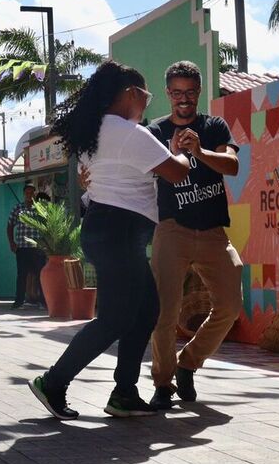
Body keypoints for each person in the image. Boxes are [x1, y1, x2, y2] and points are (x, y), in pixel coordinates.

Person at [29, 61, 189, 420]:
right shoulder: (128, 132)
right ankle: (53, 383)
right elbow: (176, 173)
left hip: (110, 228)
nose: (146, 104)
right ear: (131, 93)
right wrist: (181, 150)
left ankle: (124, 393)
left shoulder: (94, 130)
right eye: (146, 96)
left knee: (146, 309)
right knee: (116, 318)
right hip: (120, 230)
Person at [147, 61, 244, 409]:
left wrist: (200, 151)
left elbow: (232, 166)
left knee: (231, 305)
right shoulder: (155, 130)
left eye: (189, 92)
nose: (183, 99)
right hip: (172, 230)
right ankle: (163, 383)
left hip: (214, 232)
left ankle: (188, 362)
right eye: (177, 93)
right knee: (164, 313)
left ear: (198, 92)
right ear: (168, 94)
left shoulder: (214, 126)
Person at [7, 183, 46, 309]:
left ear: (34, 194)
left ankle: (43, 302)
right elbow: (10, 225)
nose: (29, 195)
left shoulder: (40, 209)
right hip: (22, 248)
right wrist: (12, 242)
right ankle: (19, 302)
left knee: (41, 275)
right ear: (24, 194)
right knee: (22, 275)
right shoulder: (18, 208)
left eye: (31, 192)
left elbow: (46, 227)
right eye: (27, 192)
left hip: (37, 248)